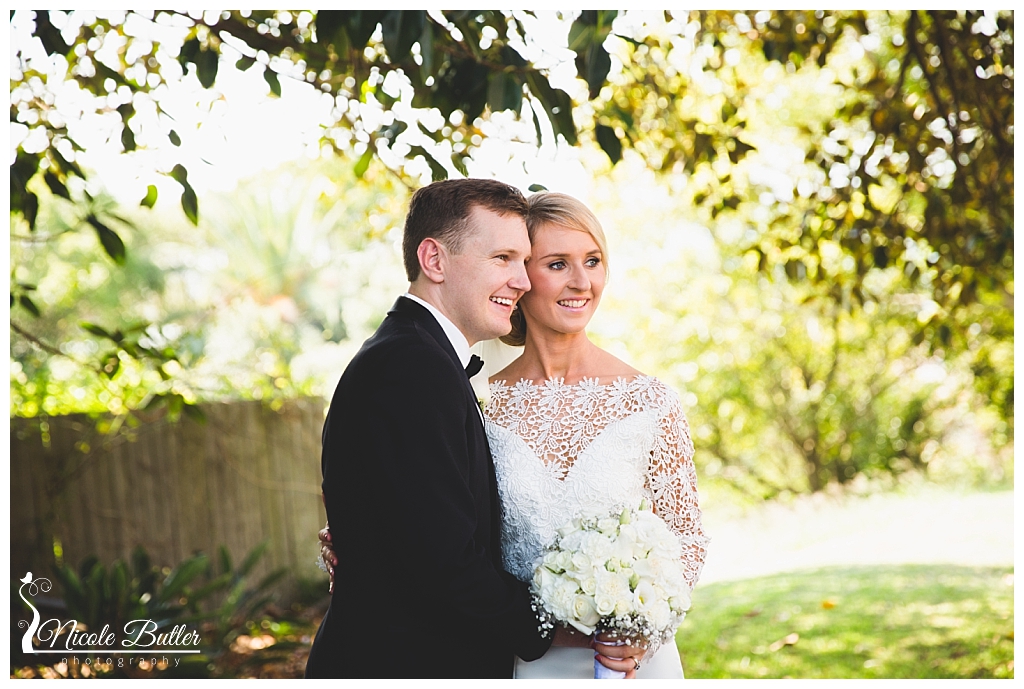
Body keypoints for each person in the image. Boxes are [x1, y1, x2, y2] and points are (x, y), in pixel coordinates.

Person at [305, 179, 643, 679]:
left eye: (523, 261)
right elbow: (444, 563)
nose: (522, 281)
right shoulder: (411, 367)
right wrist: (572, 628)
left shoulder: (420, 357)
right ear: (434, 260)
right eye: (503, 258)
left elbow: (417, 521)